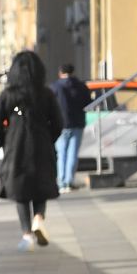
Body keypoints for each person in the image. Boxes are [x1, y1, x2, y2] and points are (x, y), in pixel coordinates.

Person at [0, 50, 65, 249]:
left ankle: (27, 235)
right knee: (41, 186)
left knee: (20, 192)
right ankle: (39, 218)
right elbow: (58, 123)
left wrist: (4, 141)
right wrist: (49, 139)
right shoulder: (46, 93)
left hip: (16, 147)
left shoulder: (8, 95)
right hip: (42, 144)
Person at [50, 63, 92, 194]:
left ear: (60, 73)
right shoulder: (81, 86)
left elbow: (49, 104)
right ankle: (69, 180)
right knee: (73, 153)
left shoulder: (55, 87)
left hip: (60, 124)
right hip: (77, 123)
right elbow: (88, 103)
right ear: (73, 72)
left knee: (61, 153)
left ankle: (61, 182)